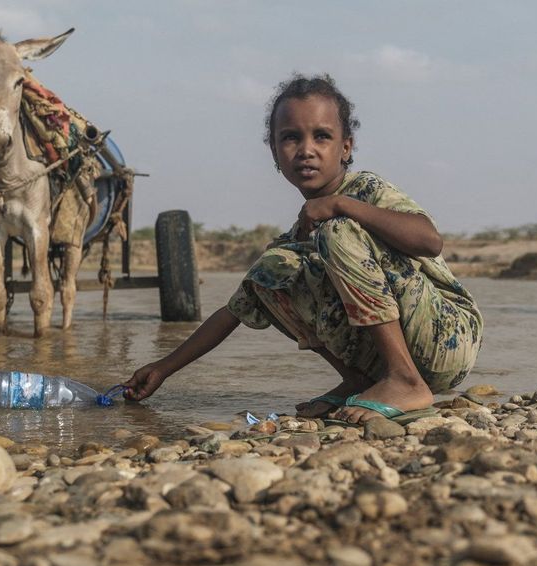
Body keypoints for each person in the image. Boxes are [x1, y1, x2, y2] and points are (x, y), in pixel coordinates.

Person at [124, 73, 483, 424]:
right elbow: (232, 312)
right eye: (291, 138)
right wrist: (163, 368)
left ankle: (404, 380)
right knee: (272, 269)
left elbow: (429, 239)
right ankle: (361, 382)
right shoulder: (299, 233)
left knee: (337, 232)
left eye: (322, 137)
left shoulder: (366, 190)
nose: (306, 150)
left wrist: (341, 206)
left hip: (447, 336)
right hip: (401, 349)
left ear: (346, 148)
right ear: (274, 152)